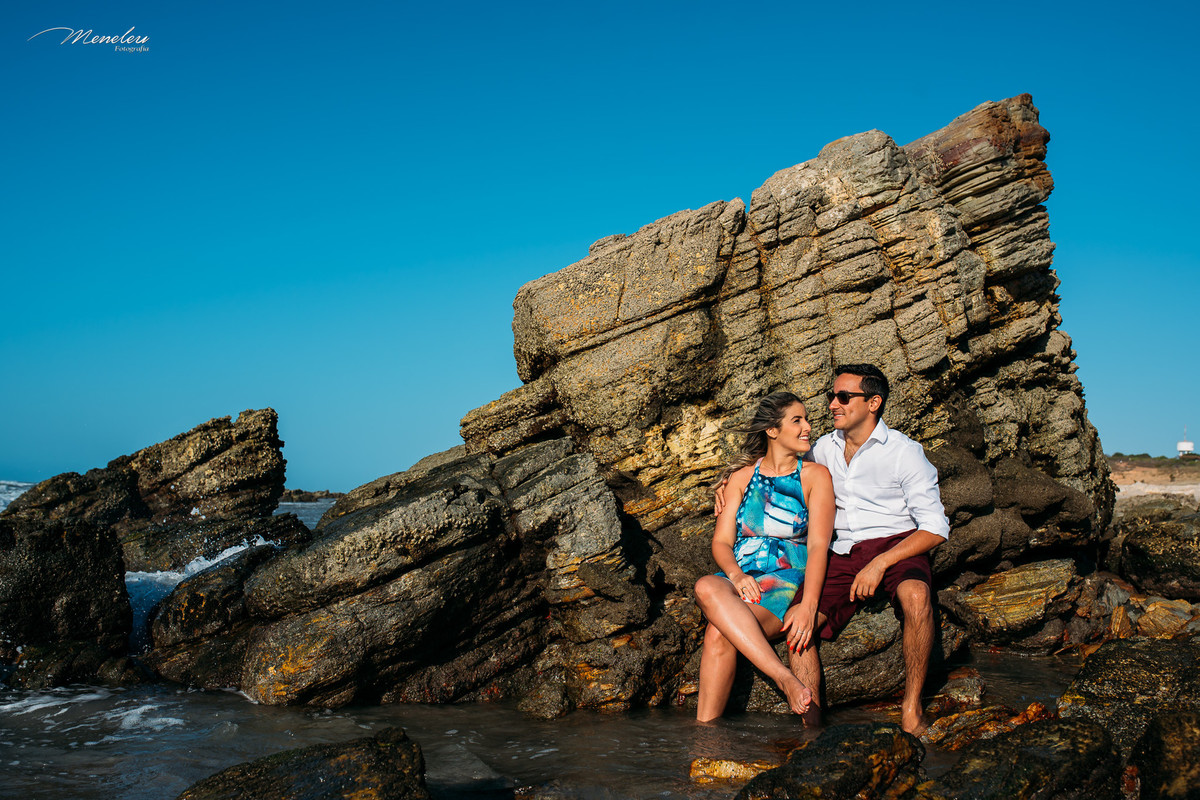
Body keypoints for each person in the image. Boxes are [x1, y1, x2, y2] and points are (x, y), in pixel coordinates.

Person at [715, 365, 949, 735]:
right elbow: (777, 465)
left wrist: (881, 564)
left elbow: (936, 527)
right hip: (840, 551)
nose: (832, 405)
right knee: (799, 626)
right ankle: (813, 728)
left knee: (917, 597)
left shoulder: (905, 453)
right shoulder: (823, 448)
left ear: (873, 402)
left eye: (843, 397)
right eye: (831, 397)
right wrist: (731, 484)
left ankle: (912, 709)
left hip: (894, 544)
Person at [693, 391, 833, 722]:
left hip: (783, 582)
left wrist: (809, 604)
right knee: (705, 585)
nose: (807, 427)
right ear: (772, 430)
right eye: (797, 420)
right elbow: (721, 543)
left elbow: (817, 547)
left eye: (807, 419)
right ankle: (782, 678)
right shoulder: (742, 478)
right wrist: (737, 576)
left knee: (717, 632)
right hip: (740, 577)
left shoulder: (815, 476)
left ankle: (705, 732)